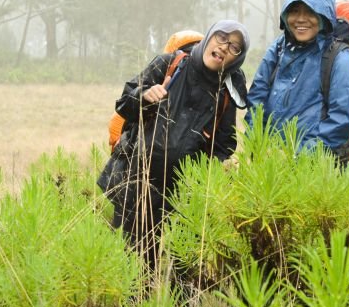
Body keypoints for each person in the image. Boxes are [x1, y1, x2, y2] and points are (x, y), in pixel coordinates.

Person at [98, 20, 250, 271]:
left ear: (237, 58)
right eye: (222, 38)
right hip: (138, 181)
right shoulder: (169, 63)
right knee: (135, 266)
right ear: (209, 37)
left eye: (235, 47)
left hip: (185, 192)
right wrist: (143, 96)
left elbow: (225, 143)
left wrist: (214, 167)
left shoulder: (227, 91)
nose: (225, 47)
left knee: (185, 268)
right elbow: (124, 103)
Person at [244, 0, 349, 164]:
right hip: (269, 167)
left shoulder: (341, 60)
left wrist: (296, 157)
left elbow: (341, 122)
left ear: (324, 17)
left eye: (310, 12)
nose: (300, 19)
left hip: (316, 170)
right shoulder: (278, 49)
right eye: (294, 11)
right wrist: (256, 147)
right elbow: (256, 99)